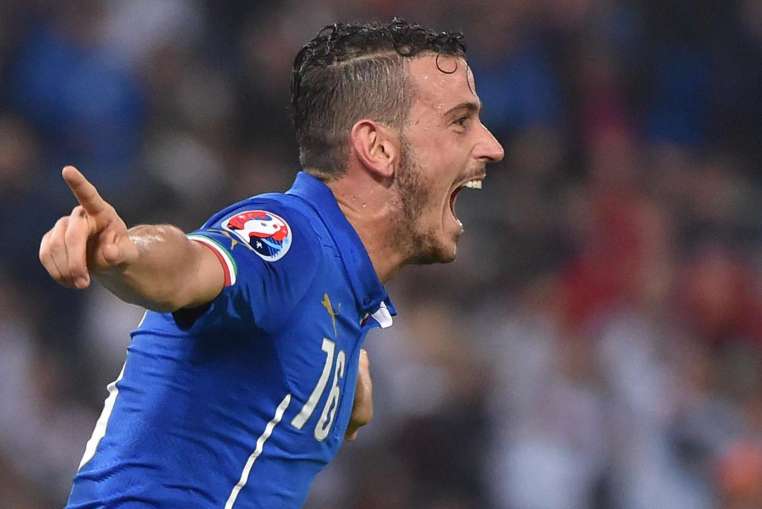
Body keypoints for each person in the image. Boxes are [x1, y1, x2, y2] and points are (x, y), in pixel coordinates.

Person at [39, 18, 504, 509]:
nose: (492, 146)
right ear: (378, 148)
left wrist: (345, 390)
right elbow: (190, 265)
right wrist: (125, 254)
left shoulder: (340, 292)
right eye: (460, 121)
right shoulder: (291, 236)